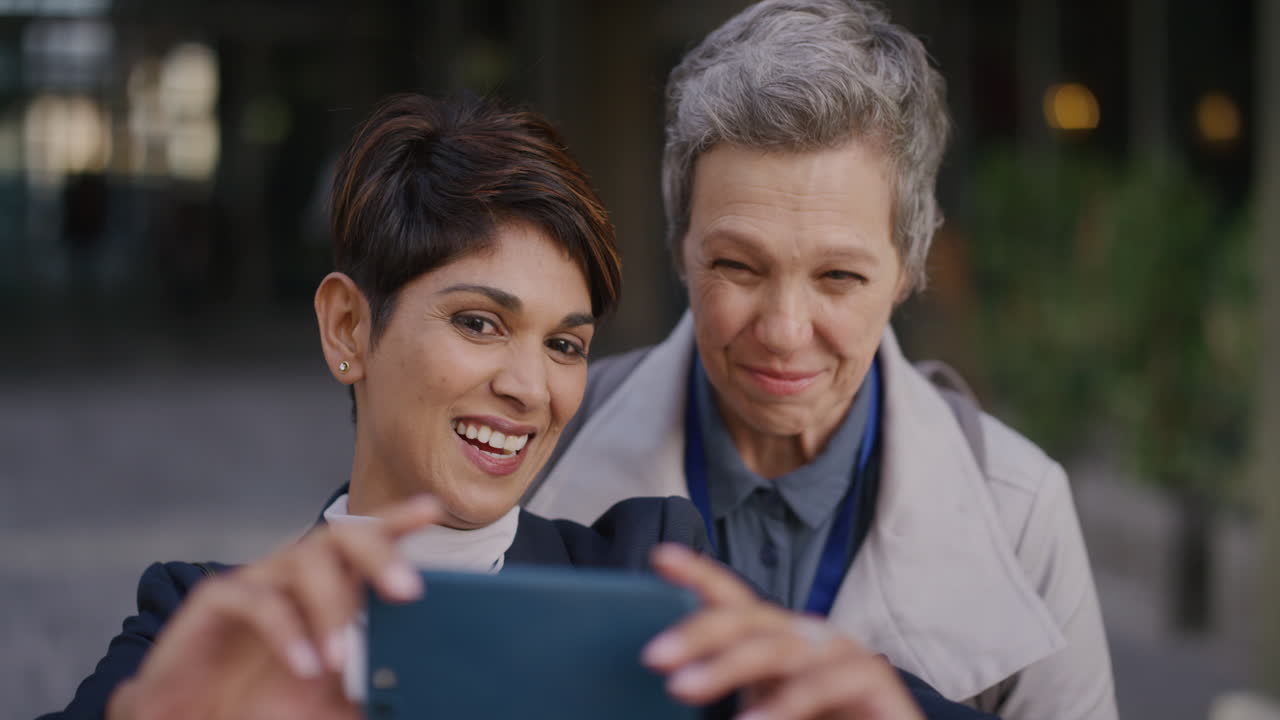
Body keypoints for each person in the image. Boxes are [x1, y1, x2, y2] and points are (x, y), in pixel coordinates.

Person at [42, 94, 992, 720]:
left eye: (566, 344)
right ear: (347, 327)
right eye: (481, 324)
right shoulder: (202, 628)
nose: (532, 388)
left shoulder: (641, 582)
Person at [523, 2, 1118, 718]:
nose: (783, 330)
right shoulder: (536, 443)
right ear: (682, 248)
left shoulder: (1021, 509)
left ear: (908, 270)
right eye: (739, 266)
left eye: (839, 277)